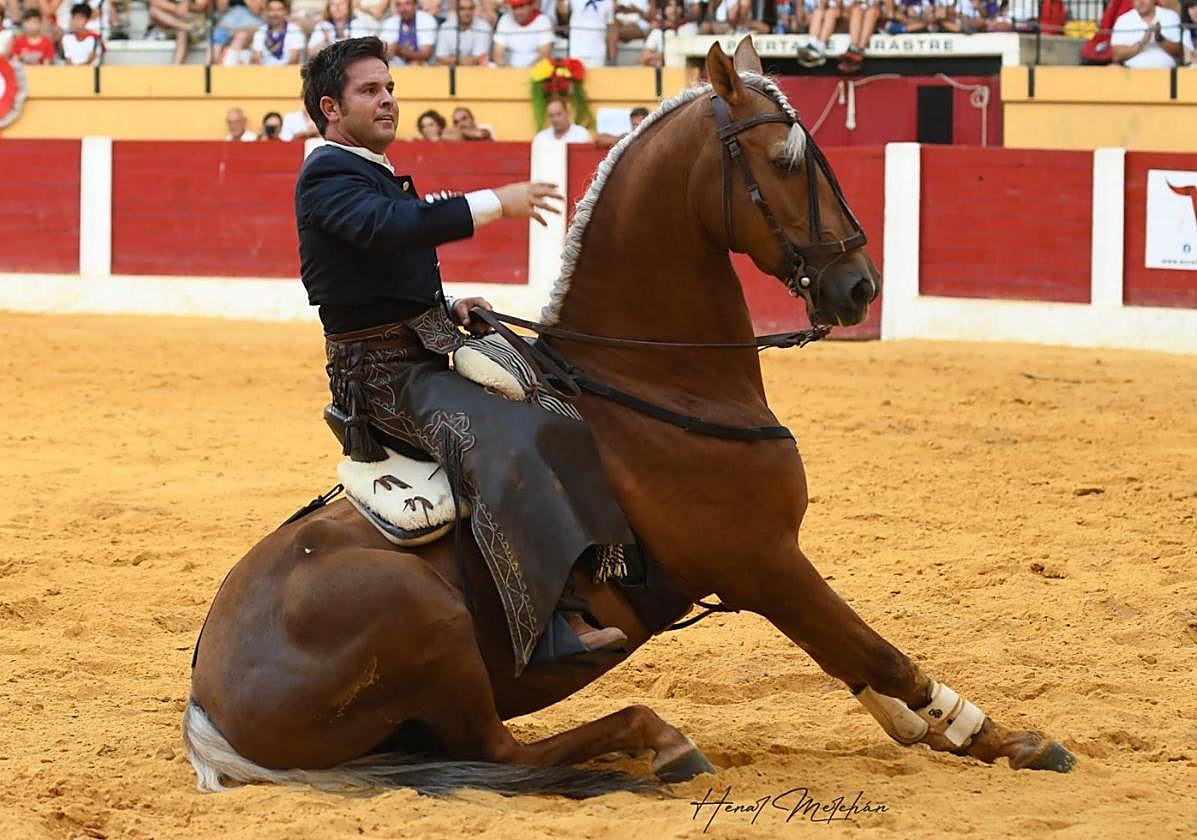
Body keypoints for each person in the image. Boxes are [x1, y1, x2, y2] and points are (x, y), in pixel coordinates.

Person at [295, 37, 632, 670]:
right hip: (382, 381)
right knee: (506, 440)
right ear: (330, 108)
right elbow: (388, 230)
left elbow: (381, 269)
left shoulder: (361, 169)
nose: (388, 100)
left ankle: (602, 560)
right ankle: (552, 620)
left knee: (554, 388)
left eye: (390, 87)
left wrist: (442, 308)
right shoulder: (326, 172)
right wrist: (496, 203)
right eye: (370, 91)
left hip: (419, 352)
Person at [1111, 0, 1182, 67]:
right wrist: (1143, 42)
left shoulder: (1170, 16)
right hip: (1131, 73)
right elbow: (1117, 56)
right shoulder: (1123, 20)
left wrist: (1160, 39)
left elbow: (1180, 52)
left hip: (1167, 73)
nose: (1141, 2)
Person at [491, 0, 553, 66]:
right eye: (514, 7)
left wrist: (525, 73)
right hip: (509, 69)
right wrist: (509, 71)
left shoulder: (543, 21)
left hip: (535, 71)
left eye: (521, 7)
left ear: (531, 6)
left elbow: (544, 55)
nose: (517, 12)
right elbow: (497, 54)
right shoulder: (505, 19)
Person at [557, 0, 616, 68]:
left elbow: (611, 29)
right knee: (576, 77)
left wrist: (612, 59)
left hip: (598, 53)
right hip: (576, 52)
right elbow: (562, 12)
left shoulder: (608, 2)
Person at [433, 0, 492, 64]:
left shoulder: (483, 27)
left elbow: (478, 60)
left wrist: (451, 60)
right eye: (462, 9)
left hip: (476, 72)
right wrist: (461, 61)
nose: (467, 12)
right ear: (456, 10)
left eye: (470, 8)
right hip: (449, 70)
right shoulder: (445, 27)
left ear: (474, 10)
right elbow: (440, 58)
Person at [380, 0, 438, 64]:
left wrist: (399, 50)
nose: (403, 9)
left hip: (425, 66)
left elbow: (425, 54)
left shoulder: (427, 20)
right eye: (399, 5)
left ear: (415, 5)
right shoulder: (390, 22)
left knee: (415, 63)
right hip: (397, 64)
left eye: (407, 4)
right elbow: (385, 51)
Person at [251, 0, 305, 64]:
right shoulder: (261, 31)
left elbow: (294, 59)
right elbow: (257, 58)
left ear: (285, 11)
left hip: (289, 72)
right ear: (266, 12)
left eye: (279, 10)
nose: (275, 14)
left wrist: (279, 73)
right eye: (271, 10)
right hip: (265, 72)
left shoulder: (295, 30)